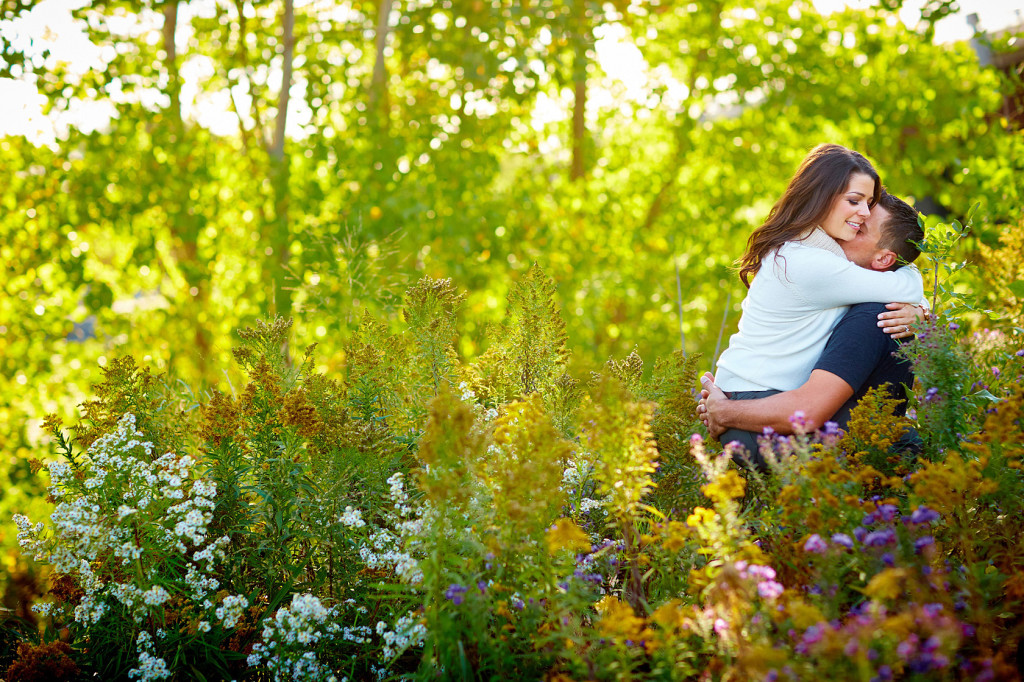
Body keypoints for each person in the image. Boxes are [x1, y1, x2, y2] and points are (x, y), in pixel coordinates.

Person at [704, 144, 925, 467]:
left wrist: (918, 312)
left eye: (868, 203)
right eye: (854, 202)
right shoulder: (809, 263)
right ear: (822, 197)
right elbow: (902, 284)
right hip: (754, 405)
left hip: (759, 400)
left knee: (901, 439)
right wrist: (919, 308)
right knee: (899, 441)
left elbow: (894, 282)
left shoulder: (816, 252)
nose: (862, 213)